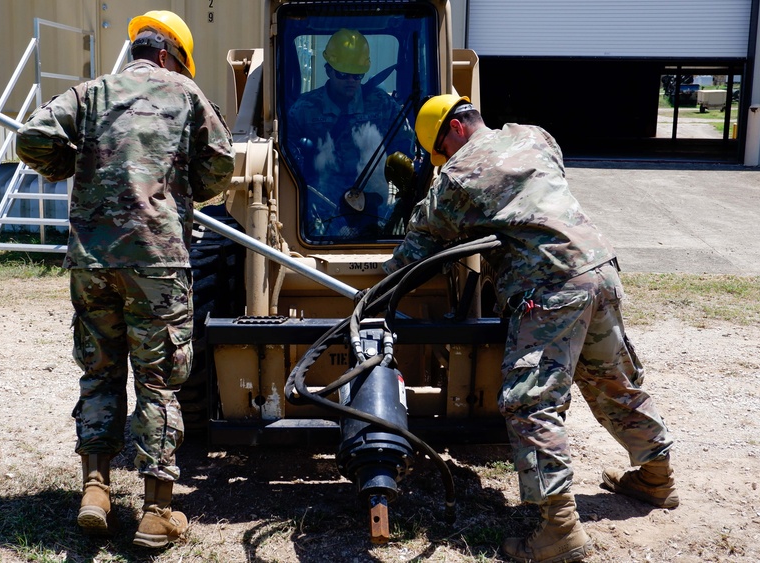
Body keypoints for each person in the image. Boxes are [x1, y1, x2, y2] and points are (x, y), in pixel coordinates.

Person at [383, 94, 679, 563]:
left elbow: (419, 243)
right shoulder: (532, 135)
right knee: (612, 379)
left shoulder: (457, 176)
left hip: (549, 287)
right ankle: (656, 477)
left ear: (453, 132)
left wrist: (377, 289)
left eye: (439, 152)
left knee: (531, 400)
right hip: (598, 269)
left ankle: (559, 531)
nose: (444, 162)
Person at [14, 10, 234, 548]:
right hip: (157, 261)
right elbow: (221, 166)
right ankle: (157, 512)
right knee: (158, 381)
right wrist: (180, 185)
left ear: (138, 47)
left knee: (100, 372)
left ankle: (95, 489)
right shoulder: (185, 95)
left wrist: (72, 166)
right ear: (170, 55)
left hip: (92, 260)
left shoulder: (89, 94)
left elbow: (32, 136)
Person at [286, 28, 415, 239]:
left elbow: (406, 144)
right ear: (328, 70)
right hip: (322, 202)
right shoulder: (306, 108)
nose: (351, 81)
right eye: (343, 74)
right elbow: (285, 152)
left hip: (375, 199)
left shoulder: (381, 104)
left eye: (357, 76)